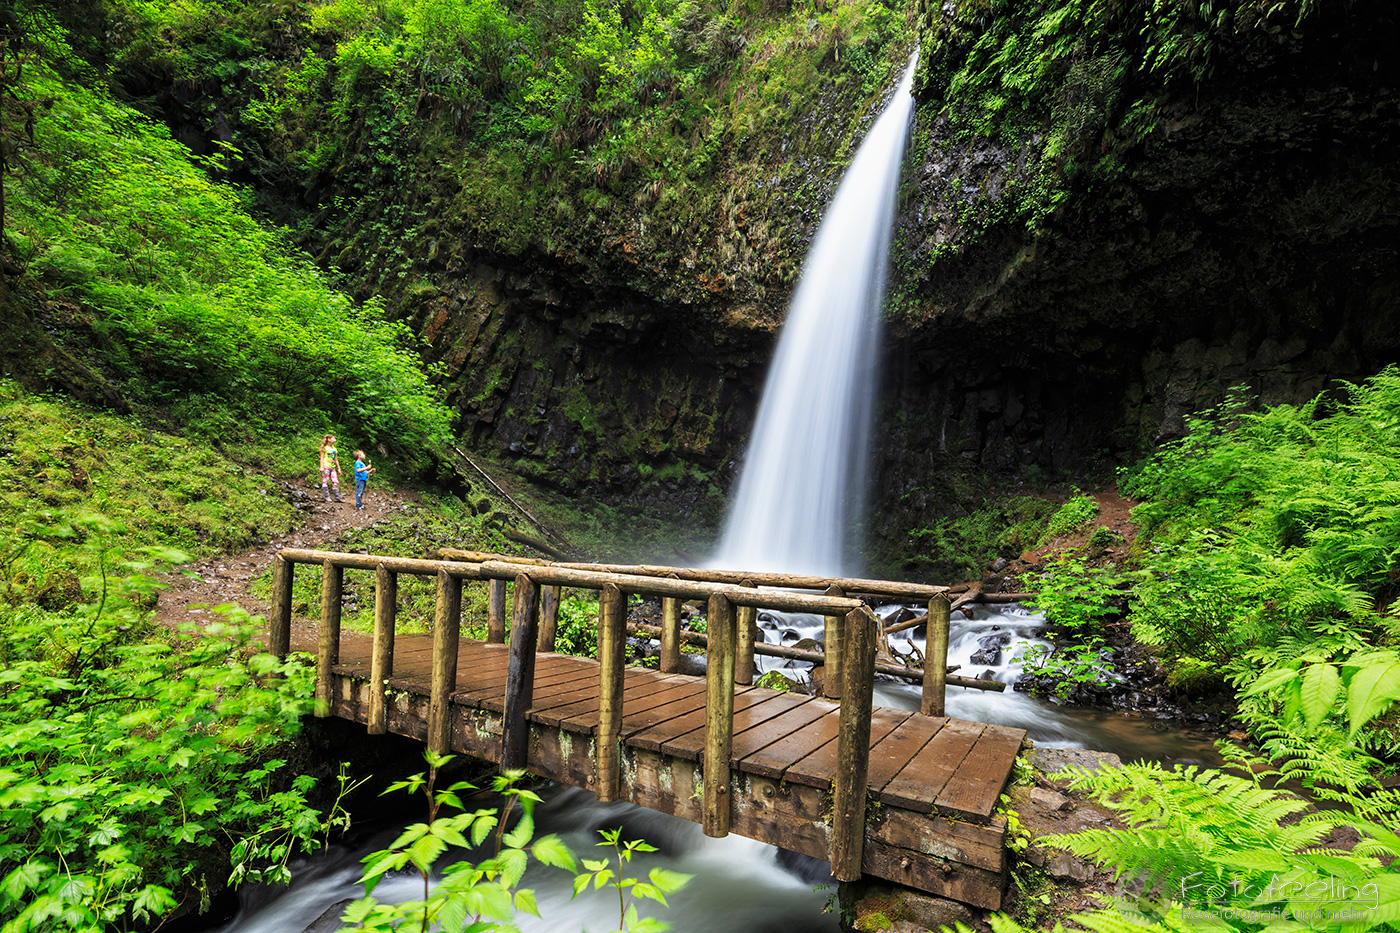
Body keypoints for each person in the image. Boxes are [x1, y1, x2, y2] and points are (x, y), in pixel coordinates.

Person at [319, 434, 342, 502]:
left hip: (333, 467)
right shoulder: (324, 448)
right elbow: (322, 457)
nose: (335, 440)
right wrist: (321, 466)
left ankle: (337, 497)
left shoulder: (334, 449)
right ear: (329, 439)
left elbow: (336, 459)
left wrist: (339, 468)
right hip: (326, 466)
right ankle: (327, 497)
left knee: (335, 481)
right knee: (325, 480)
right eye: (333, 438)